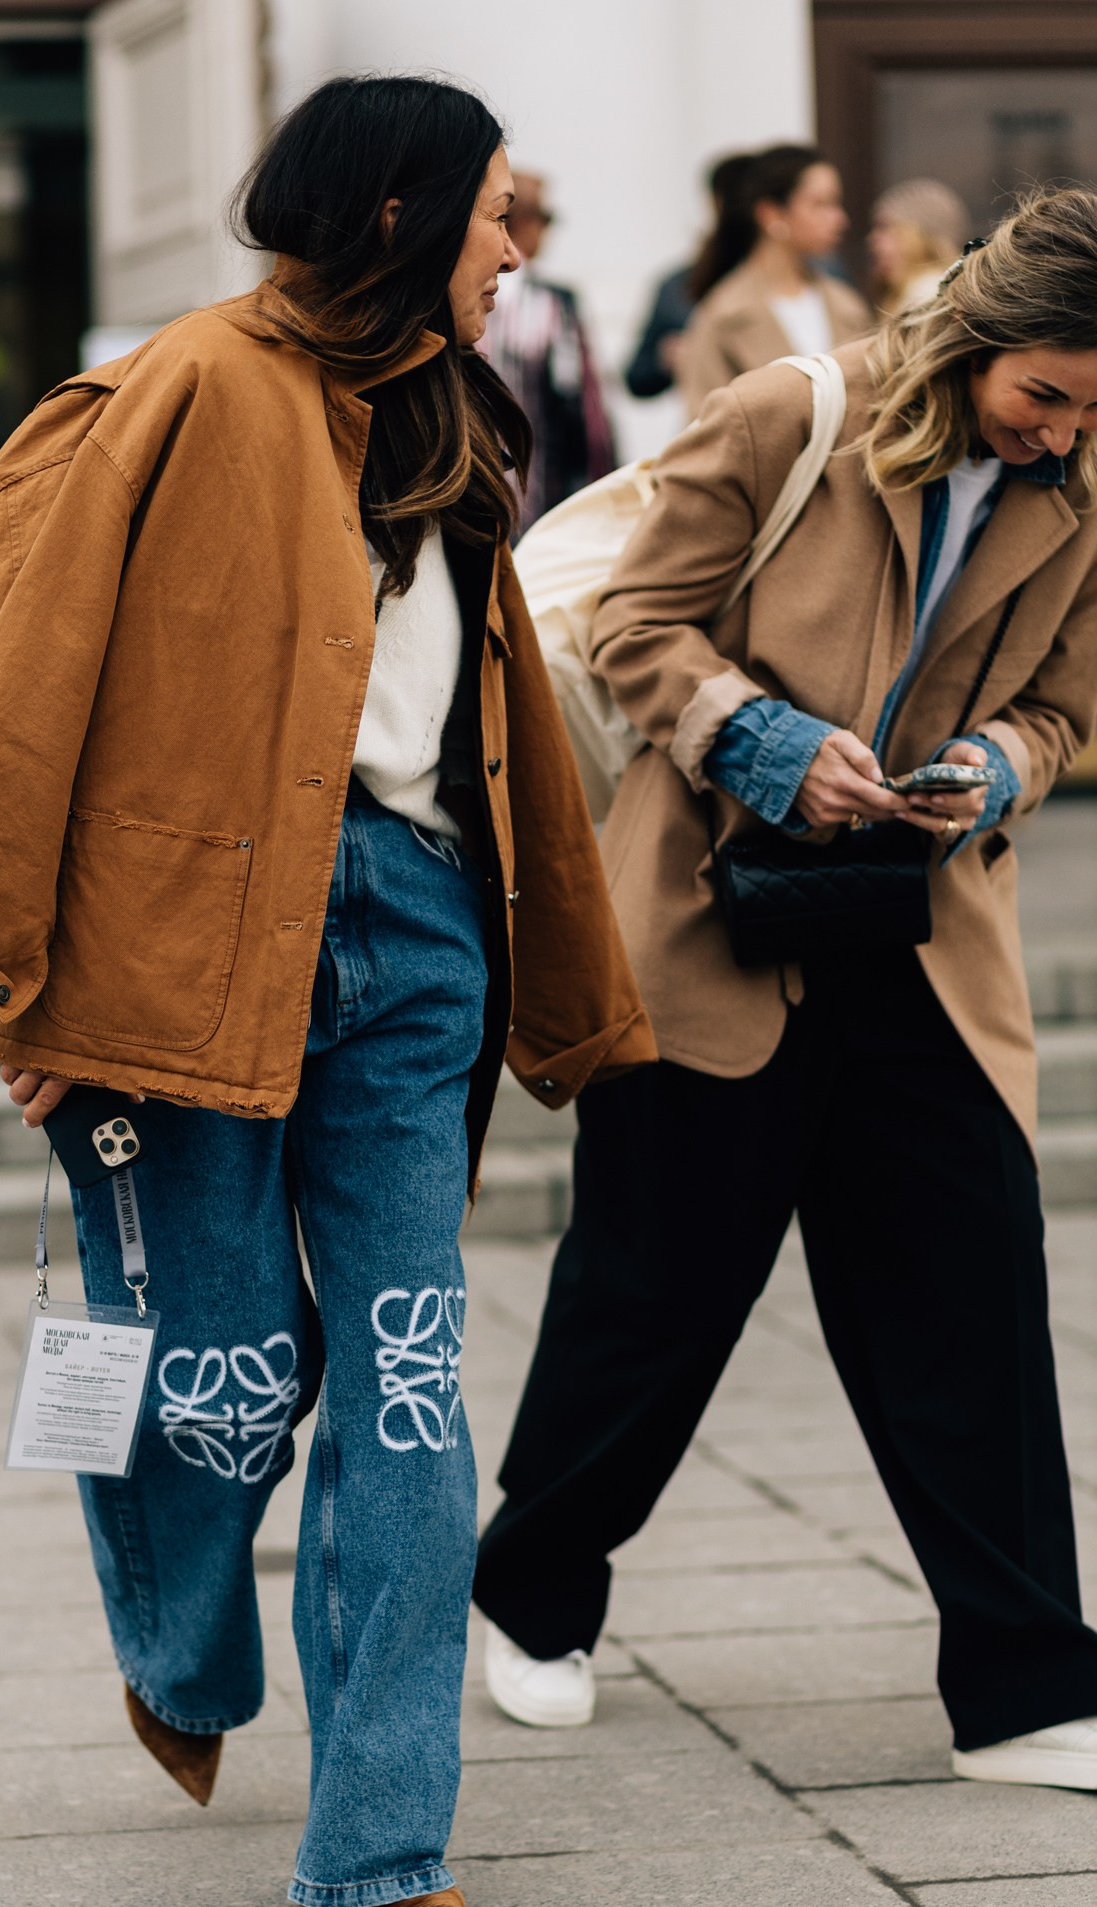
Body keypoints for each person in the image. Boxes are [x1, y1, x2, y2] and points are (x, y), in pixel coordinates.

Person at [0, 76, 653, 1907]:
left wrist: (545, 952)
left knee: (404, 1377)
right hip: (185, 923)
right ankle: (183, 1652)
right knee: (223, 1381)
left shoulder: (463, 415)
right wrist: (19, 966)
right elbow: (37, 658)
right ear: (397, 212)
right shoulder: (193, 384)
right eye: (492, 217)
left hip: (413, 928)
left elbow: (487, 712)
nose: (515, 252)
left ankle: (380, 1838)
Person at [476, 186, 1097, 1796]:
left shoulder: (1086, 481)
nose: (1056, 437)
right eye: (1040, 395)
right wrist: (759, 741)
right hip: (707, 912)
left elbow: (1066, 709)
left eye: (1090, 411)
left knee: (968, 1300)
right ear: (969, 343)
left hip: (920, 933)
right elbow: (632, 622)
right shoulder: (783, 414)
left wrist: (990, 764)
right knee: (651, 1294)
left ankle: (1026, 1681)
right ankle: (529, 1598)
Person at [677, 142, 869, 418]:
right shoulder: (723, 315)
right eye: (821, 204)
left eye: (836, 204)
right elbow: (704, 428)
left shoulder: (846, 305)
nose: (840, 219)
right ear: (771, 214)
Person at [480, 169, 614, 534]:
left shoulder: (455, 294)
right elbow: (583, 408)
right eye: (547, 218)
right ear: (520, 220)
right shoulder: (552, 303)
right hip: (540, 496)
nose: (548, 231)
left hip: (476, 496)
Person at [623, 153, 755, 402]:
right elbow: (637, 378)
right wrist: (666, 357)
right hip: (714, 422)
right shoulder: (679, 286)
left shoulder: (819, 282)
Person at [868, 177, 970, 316]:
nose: (873, 240)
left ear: (918, 236)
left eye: (885, 228)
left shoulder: (928, 294)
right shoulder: (946, 290)